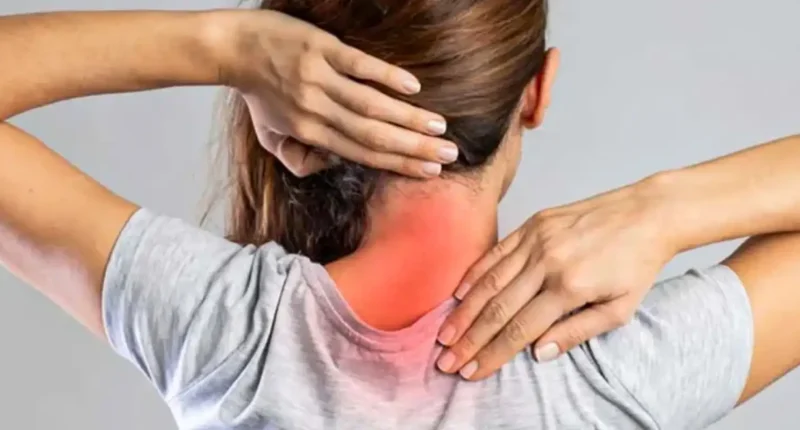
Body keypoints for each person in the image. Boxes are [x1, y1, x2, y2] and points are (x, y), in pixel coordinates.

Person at [1, 2, 798, 430]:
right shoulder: (614, 369)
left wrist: (226, 46)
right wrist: (663, 209)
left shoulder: (227, 330)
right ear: (537, 92)